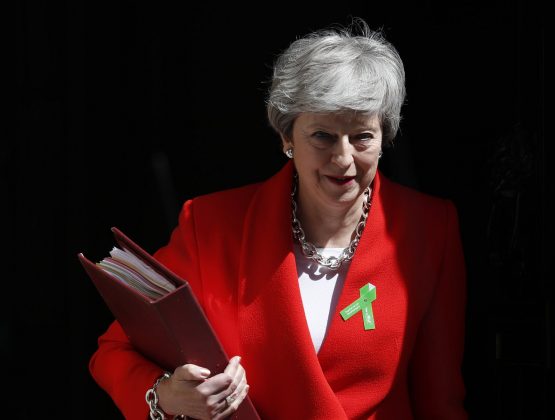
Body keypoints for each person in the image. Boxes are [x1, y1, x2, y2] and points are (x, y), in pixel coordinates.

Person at [89, 18, 468, 419]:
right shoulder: (212, 225)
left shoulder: (430, 229)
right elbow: (113, 352)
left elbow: (439, 402)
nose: (343, 159)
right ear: (287, 136)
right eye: (322, 136)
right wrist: (166, 396)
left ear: (384, 135)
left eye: (362, 136)